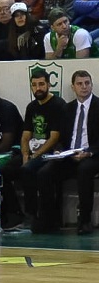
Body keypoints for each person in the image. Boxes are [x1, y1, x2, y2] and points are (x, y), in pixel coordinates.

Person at [1, 68, 66, 230]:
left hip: (50, 152)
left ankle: (33, 215)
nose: (38, 88)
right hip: (32, 152)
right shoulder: (32, 107)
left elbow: (54, 137)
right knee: (4, 171)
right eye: (35, 85)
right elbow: (25, 136)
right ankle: (15, 213)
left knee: (28, 170)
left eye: (41, 84)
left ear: (49, 85)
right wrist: (25, 155)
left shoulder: (58, 105)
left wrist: (35, 155)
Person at [36, 69, 99, 234]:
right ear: (73, 87)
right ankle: (49, 220)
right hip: (69, 154)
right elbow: (61, 137)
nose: (84, 87)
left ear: (91, 85)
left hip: (92, 155)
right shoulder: (67, 108)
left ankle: (85, 221)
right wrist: (59, 151)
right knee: (44, 173)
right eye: (80, 84)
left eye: (87, 83)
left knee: (84, 170)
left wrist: (89, 153)